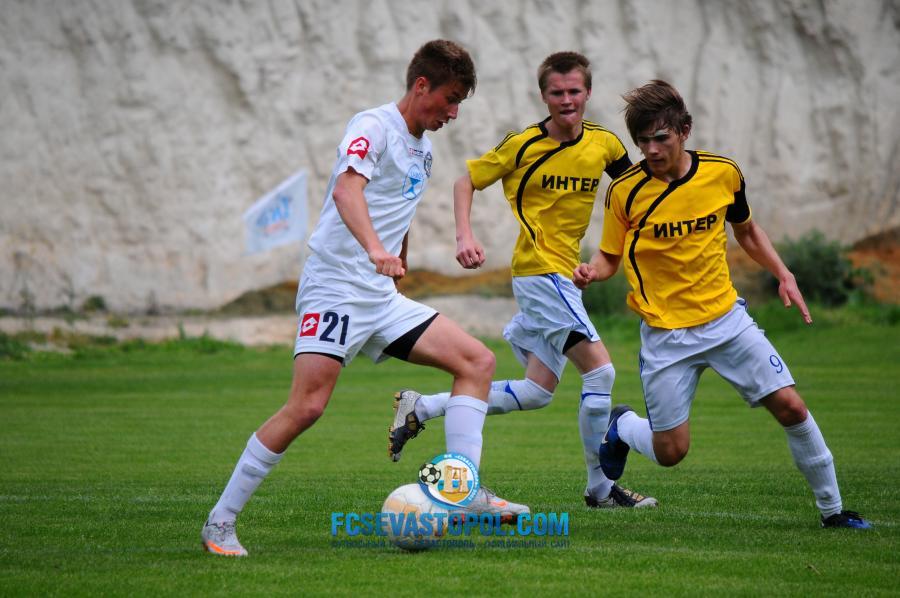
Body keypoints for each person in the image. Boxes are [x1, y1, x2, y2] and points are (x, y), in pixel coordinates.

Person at [201, 40, 530, 557]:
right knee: (308, 406)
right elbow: (346, 190)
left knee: (477, 362)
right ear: (421, 85)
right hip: (335, 287)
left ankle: (462, 492)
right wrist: (376, 249)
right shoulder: (373, 125)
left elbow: (398, 211)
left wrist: (397, 263)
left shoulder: (424, 149)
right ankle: (220, 523)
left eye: (459, 102)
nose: (453, 112)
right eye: (450, 98)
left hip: (380, 296)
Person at [573, 79, 871, 529]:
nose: (651, 150)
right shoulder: (625, 192)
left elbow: (746, 231)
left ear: (684, 130)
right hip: (667, 335)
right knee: (671, 452)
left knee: (791, 406)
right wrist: (592, 272)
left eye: (661, 138)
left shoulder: (723, 173)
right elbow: (610, 257)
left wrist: (783, 273)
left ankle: (833, 511)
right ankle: (624, 427)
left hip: (727, 321)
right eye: (642, 141)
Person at [388, 51, 657, 509]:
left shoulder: (606, 145)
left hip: (565, 277)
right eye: (557, 92)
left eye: (574, 91)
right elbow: (465, 182)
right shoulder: (524, 145)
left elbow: (635, 193)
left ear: (588, 93)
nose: (567, 100)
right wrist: (464, 235)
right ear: (543, 96)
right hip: (540, 272)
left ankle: (423, 406)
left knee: (536, 392)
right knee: (601, 372)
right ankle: (600, 489)